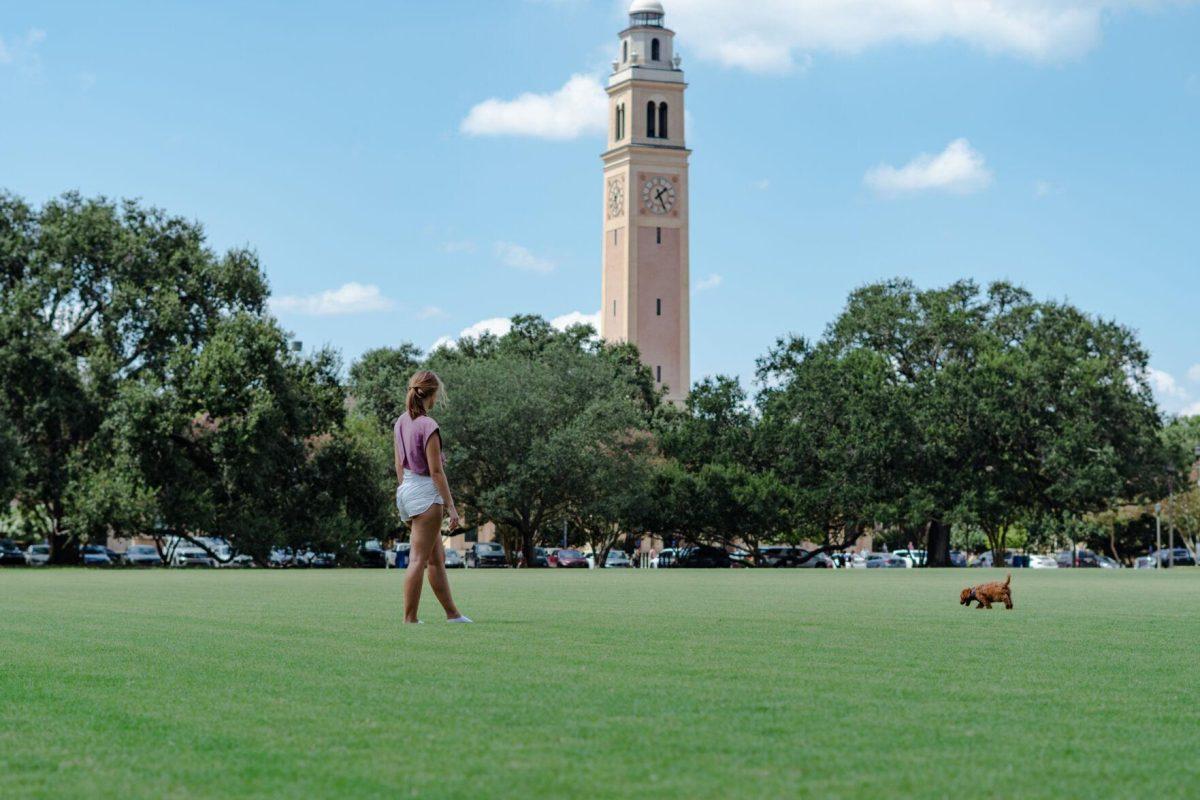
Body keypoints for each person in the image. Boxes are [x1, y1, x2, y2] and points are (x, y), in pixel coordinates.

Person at [394, 370, 471, 624]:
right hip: (426, 494)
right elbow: (436, 472)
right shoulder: (429, 425)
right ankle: (410, 619)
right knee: (418, 559)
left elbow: (398, 466)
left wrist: (406, 496)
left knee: (435, 559)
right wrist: (452, 508)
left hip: (406, 491)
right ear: (433, 394)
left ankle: (453, 614)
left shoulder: (401, 422)